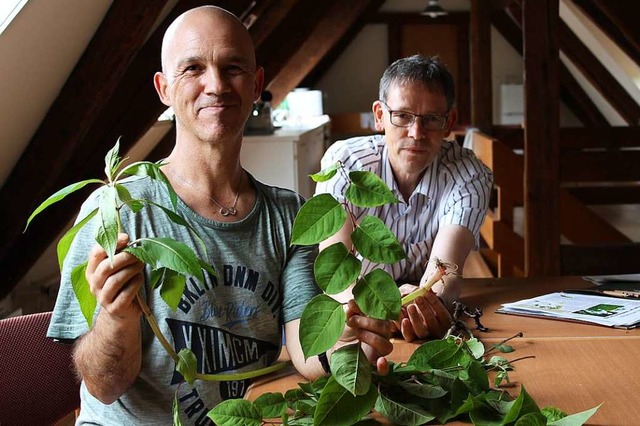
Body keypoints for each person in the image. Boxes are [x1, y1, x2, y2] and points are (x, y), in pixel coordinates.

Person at [46, 6, 392, 425]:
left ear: (257, 83)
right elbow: (103, 384)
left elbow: (305, 349)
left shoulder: (290, 216)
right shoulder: (117, 211)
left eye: (233, 68)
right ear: (164, 89)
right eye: (193, 68)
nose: (216, 85)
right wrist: (117, 318)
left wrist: (347, 343)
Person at [315, 55, 493, 342]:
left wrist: (424, 305)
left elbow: (444, 272)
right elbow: (335, 271)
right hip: (359, 312)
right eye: (402, 116)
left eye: (432, 119)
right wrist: (367, 312)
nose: (416, 133)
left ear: (449, 123)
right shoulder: (345, 164)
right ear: (380, 116)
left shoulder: (469, 174)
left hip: (422, 315)